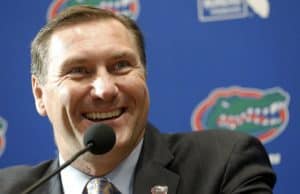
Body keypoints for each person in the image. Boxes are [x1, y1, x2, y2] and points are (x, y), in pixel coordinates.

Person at [0, 5, 275, 194]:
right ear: (39, 94)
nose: (105, 89)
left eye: (120, 66)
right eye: (78, 71)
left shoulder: (223, 165)